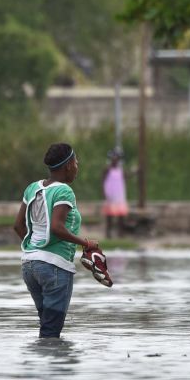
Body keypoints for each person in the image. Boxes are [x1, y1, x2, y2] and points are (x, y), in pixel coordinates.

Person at [13, 143, 100, 338]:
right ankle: (55, 369)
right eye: (76, 162)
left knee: (46, 325)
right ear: (68, 165)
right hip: (54, 267)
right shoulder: (64, 191)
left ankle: (40, 366)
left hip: (29, 266)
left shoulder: (32, 188)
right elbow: (57, 228)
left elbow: (18, 226)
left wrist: (35, 250)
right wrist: (86, 244)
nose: (77, 167)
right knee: (51, 332)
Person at [101, 147, 129, 238]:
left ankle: (121, 233)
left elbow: (124, 179)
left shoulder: (121, 170)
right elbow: (103, 181)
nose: (115, 160)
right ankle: (108, 234)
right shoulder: (108, 169)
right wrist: (104, 193)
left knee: (121, 216)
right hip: (110, 195)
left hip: (119, 196)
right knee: (109, 216)